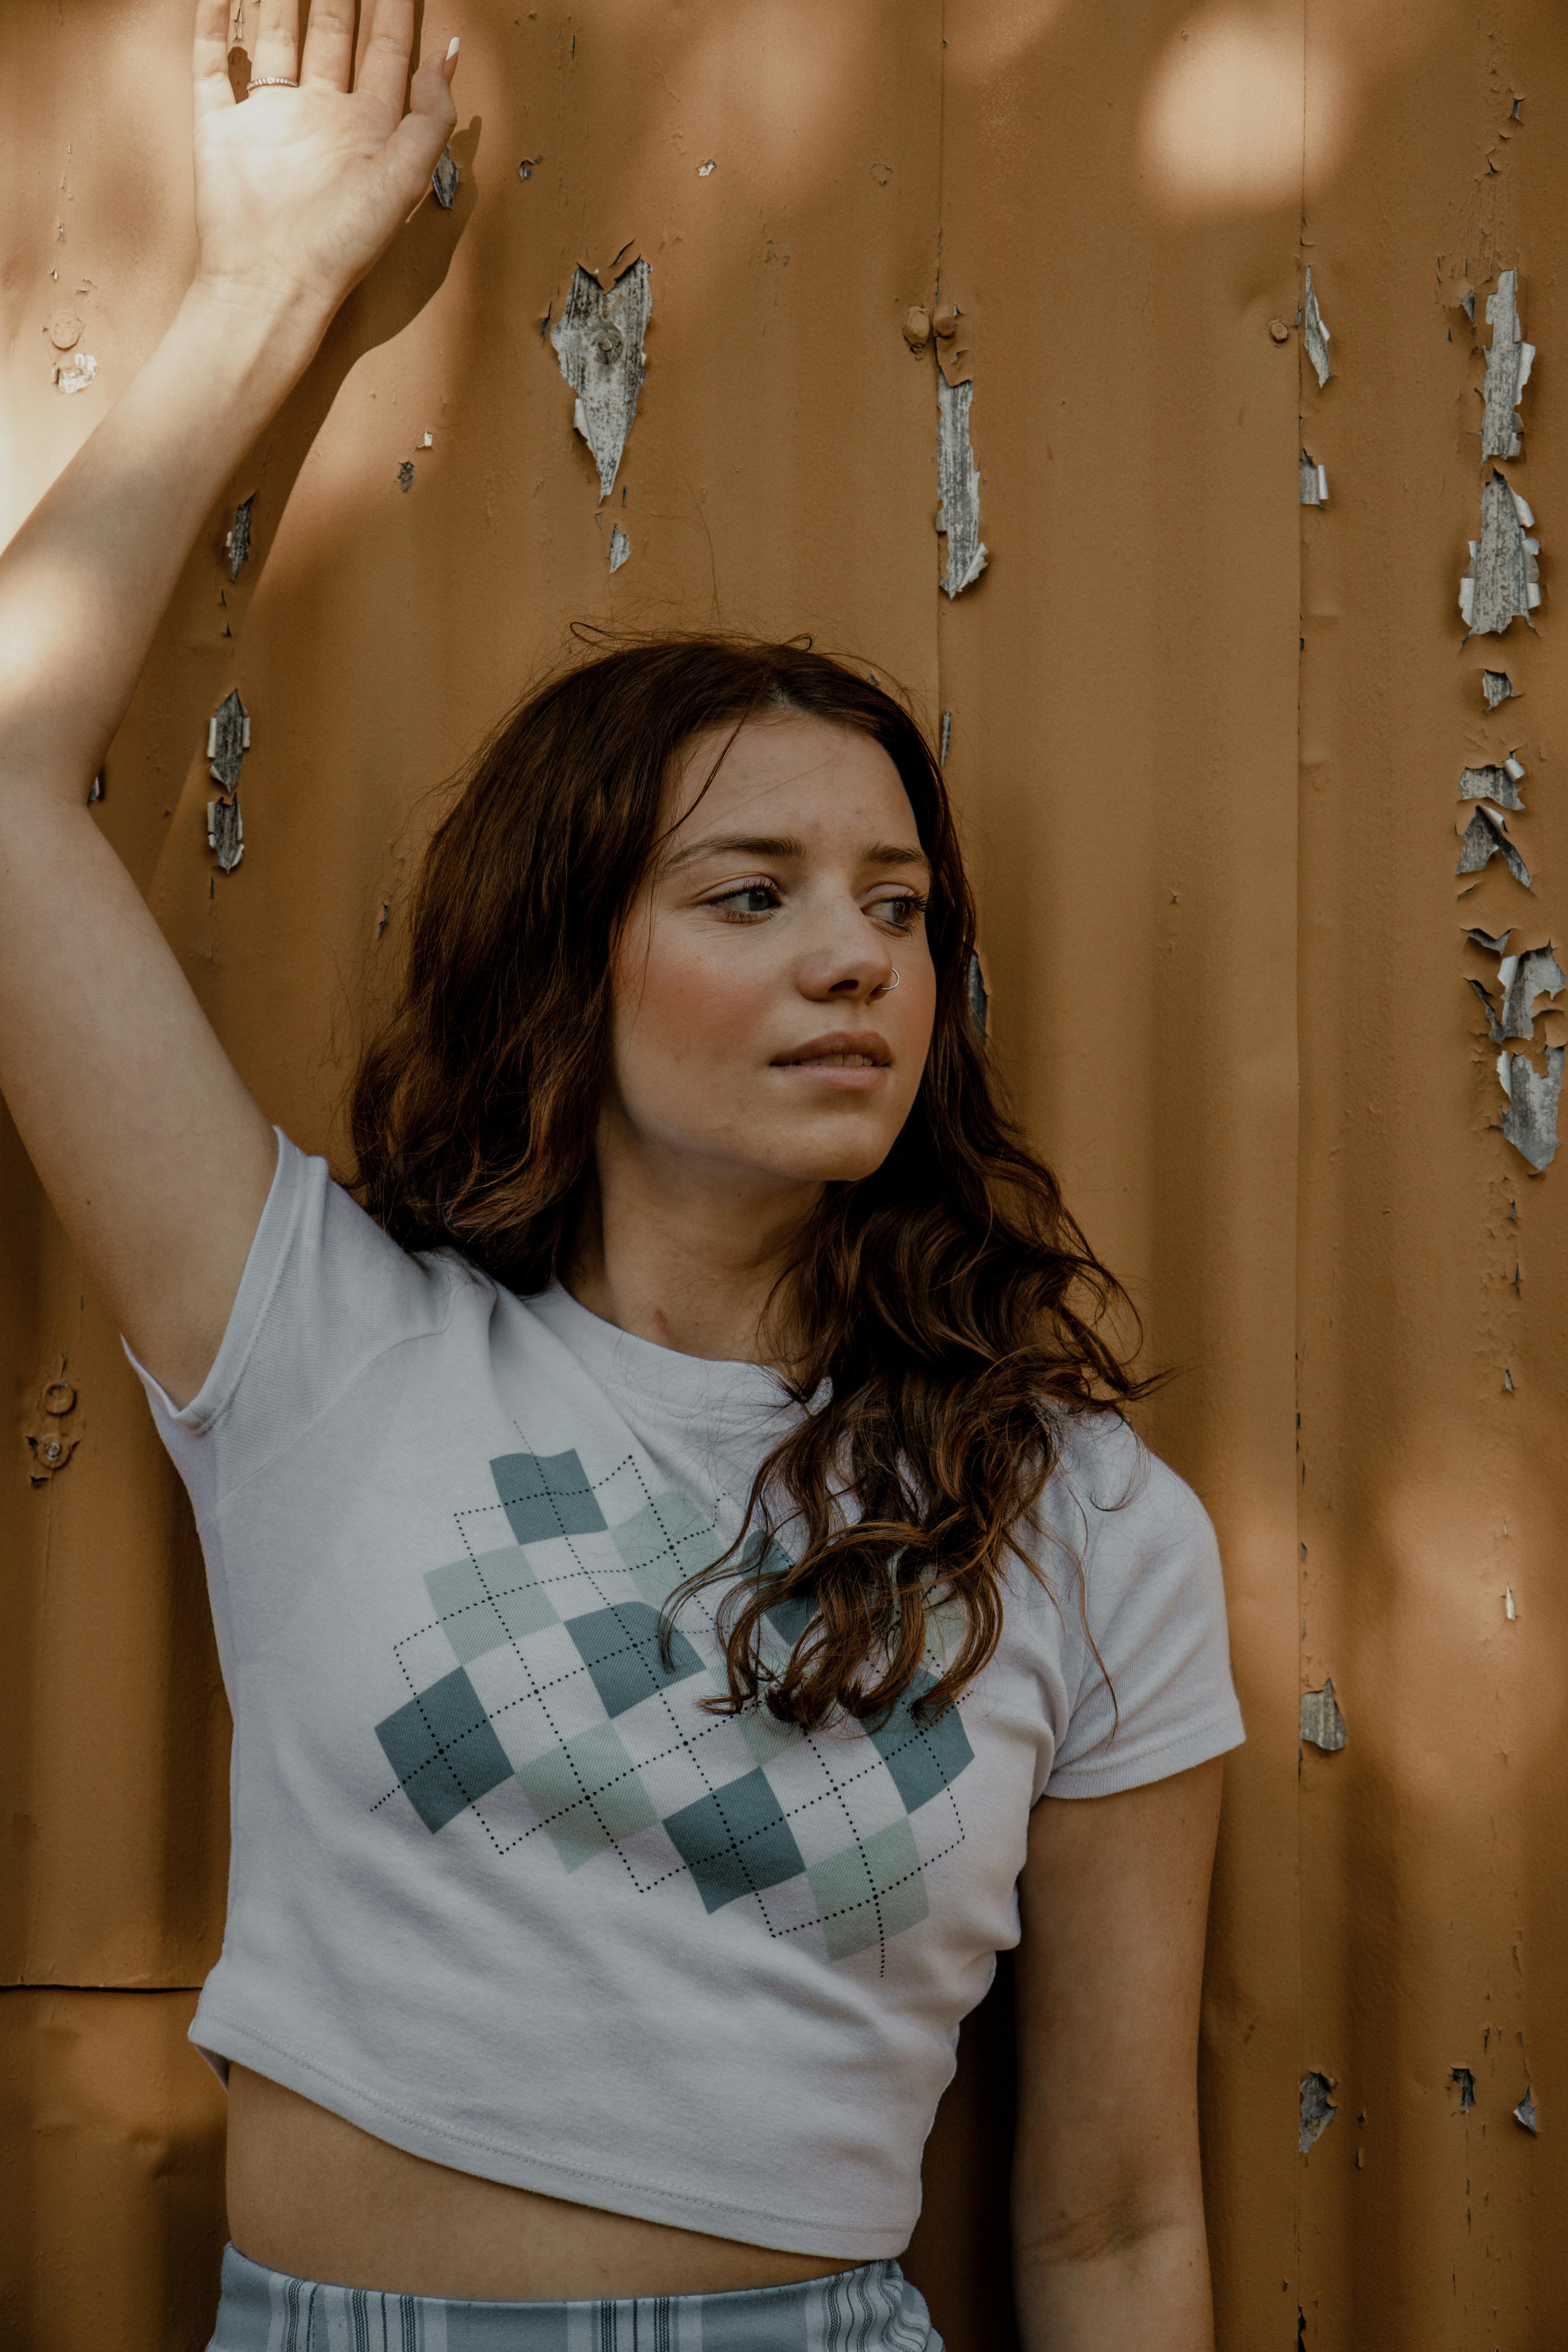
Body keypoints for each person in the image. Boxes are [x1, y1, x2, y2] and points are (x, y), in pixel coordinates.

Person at [0, 4, 1245, 2346]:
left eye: (898, 906)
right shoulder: (321, 1350)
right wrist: (278, 276)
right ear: (568, 971)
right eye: (750, 894)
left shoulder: (1084, 1526)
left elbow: (1114, 2223)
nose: (855, 960)